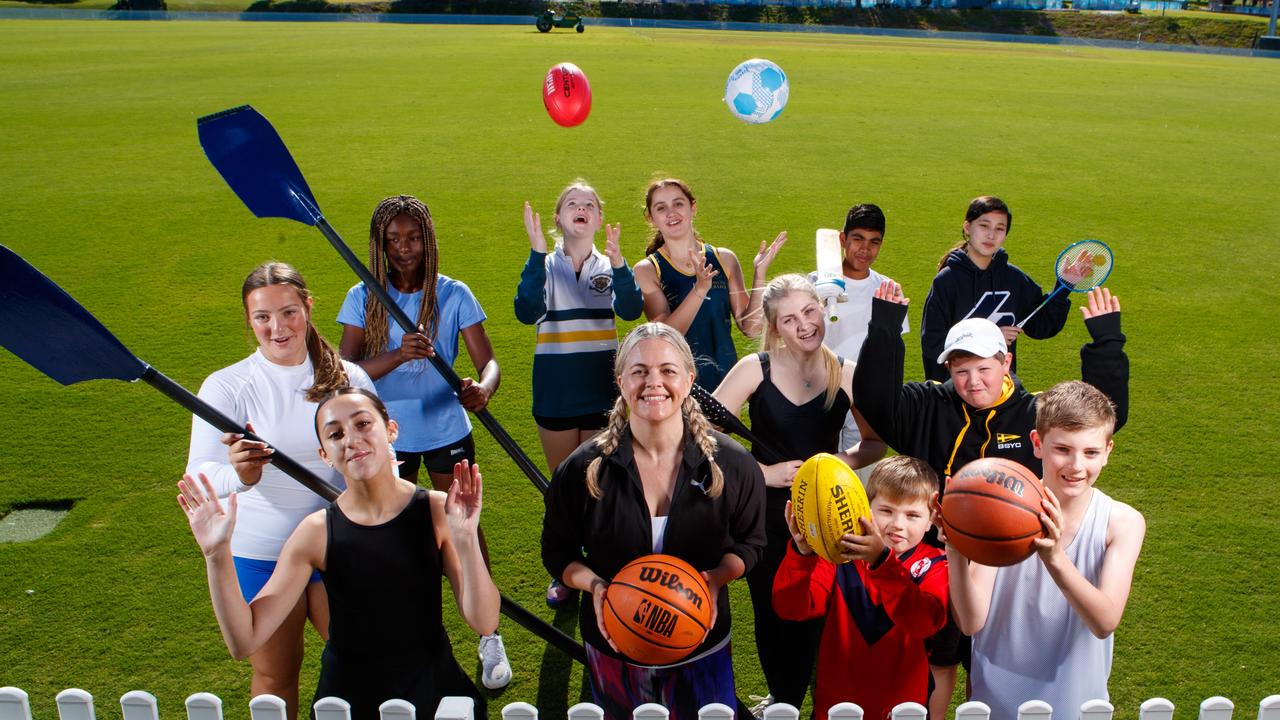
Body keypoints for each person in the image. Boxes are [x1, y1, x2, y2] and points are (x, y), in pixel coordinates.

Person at [853, 283, 1128, 719]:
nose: (972, 381)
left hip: (1011, 557)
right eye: (960, 370)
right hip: (942, 562)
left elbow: (1096, 422)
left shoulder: (1032, 412)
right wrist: (885, 328)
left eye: (983, 368)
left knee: (989, 655)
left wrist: (1106, 343)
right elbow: (873, 401)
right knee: (939, 658)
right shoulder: (928, 403)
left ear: (1006, 362)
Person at [180, 388, 500, 720]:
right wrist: (216, 554)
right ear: (325, 454)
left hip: (433, 689)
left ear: (391, 429)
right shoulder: (314, 532)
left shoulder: (437, 510)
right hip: (347, 701)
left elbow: (485, 620)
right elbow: (244, 641)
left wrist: (465, 539)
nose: (351, 439)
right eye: (336, 434)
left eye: (363, 424)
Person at [541, 322, 766, 720]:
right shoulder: (582, 469)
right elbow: (557, 553)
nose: (653, 383)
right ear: (620, 380)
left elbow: (751, 544)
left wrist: (715, 579)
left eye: (667, 370)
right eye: (639, 371)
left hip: (702, 642)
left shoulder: (733, 464)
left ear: (690, 379)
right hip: (614, 643)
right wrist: (594, 585)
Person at [186, 262, 376, 720]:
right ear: (248, 320)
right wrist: (239, 476)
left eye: (288, 312)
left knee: (367, 666)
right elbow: (200, 475)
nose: (277, 328)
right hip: (262, 554)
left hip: (341, 546)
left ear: (309, 308)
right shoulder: (227, 386)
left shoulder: (350, 378)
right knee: (275, 676)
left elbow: (381, 459)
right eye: (263, 317)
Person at [336, 194, 510, 689]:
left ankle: (489, 636)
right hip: (384, 438)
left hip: (447, 432)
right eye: (393, 241)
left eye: (413, 238)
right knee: (392, 533)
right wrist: (395, 356)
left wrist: (484, 389)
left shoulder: (454, 294)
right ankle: (403, 632)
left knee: (466, 530)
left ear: (428, 240)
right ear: (380, 245)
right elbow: (344, 374)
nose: (404, 248)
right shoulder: (363, 295)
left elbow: (489, 363)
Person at [712, 274, 887, 714]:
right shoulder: (756, 369)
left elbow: (874, 443)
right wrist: (763, 472)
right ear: (774, 327)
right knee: (772, 610)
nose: (804, 325)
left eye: (810, 312)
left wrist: (829, 469)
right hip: (762, 513)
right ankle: (783, 698)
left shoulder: (846, 374)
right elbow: (699, 438)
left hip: (828, 514)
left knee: (822, 611)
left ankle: (819, 694)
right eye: (789, 319)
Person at [946, 380, 1146, 720]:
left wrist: (1054, 557)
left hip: (1078, 705)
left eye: (1091, 452)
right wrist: (954, 546)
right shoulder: (998, 510)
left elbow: (1105, 621)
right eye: (1063, 449)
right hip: (997, 702)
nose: (1076, 466)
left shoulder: (1122, 522)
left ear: (1108, 452)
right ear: (1037, 443)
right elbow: (970, 621)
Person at [515, 181, 644, 608]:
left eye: (590, 203)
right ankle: (566, 573)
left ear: (599, 218)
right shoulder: (544, 263)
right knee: (563, 488)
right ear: (558, 218)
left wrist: (622, 263)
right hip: (554, 394)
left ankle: (602, 569)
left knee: (599, 486)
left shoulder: (609, 264)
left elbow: (629, 310)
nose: (582, 208)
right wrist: (535, 255)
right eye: (573, 203)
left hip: (600, 393)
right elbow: (526, 311)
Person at [773, 455, 949, 720]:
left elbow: (924, 621)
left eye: (912, 515)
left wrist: (881, 562)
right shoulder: (839, 555)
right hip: (837, 706)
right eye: (886, 510)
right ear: (864, 507)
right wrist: (803, 555)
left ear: (930, 520)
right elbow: (792, 608)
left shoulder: (935, 564)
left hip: (904, 708)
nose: (897, 524)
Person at [632, 178, 786, 391]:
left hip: (727, 383)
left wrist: (760, 274)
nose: (671, 213)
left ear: (692, 207)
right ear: (651, 218)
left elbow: (750, 328)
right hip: (678, 387)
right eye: (661, 208)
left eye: (678, 204)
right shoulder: (647, 270)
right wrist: (699, 289)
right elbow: (666, 335)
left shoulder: (724, 259)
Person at [920, 196, 1077, 383]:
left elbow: (1041, 326)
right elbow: (933, 343)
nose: (991, 235)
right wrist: (991, 337)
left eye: (999, 229)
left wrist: (1064, 286)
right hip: (956, 392)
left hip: (1001, 391)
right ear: (967, 227)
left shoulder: (1014, 279)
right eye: (984, 226)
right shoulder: (946, 281)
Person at [809, 203, 909, 455]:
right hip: (821, 390)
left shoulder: (887, 289)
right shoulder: (813, 284)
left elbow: (892, 349)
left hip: (867, 396)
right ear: (843, 239)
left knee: (861, 476)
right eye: (858, 239)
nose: (865, 249)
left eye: (874, 242)